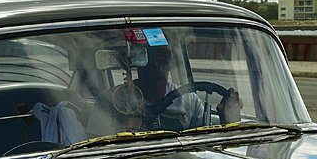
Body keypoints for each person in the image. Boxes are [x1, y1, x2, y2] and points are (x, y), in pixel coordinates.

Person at [86, 39, 242, 138]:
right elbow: (96, 149)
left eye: (165, 53)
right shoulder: (110, 100)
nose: (160, 59)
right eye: (152, 53)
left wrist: (226, 118)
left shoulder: (188, 99)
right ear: (138, 59)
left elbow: (204, 145)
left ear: (172, 60)